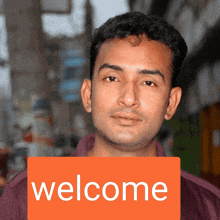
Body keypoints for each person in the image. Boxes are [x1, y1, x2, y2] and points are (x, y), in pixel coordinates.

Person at [0, 11, 220, 219]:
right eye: (112, 78)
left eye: (148, 82)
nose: (128, 97)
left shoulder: (207, 206)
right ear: (88, 94)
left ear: (171, 103)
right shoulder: (26, 198)